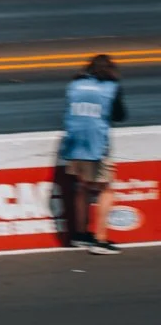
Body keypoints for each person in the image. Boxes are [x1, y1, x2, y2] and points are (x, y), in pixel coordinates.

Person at [56, 54, 128, 254]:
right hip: (96, 143)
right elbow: (120, 115)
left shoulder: (75, 85)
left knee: (82, 187)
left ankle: (80, 235)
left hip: (74, 142)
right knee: (106, 189)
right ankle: (100, 240)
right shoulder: (111, 87)